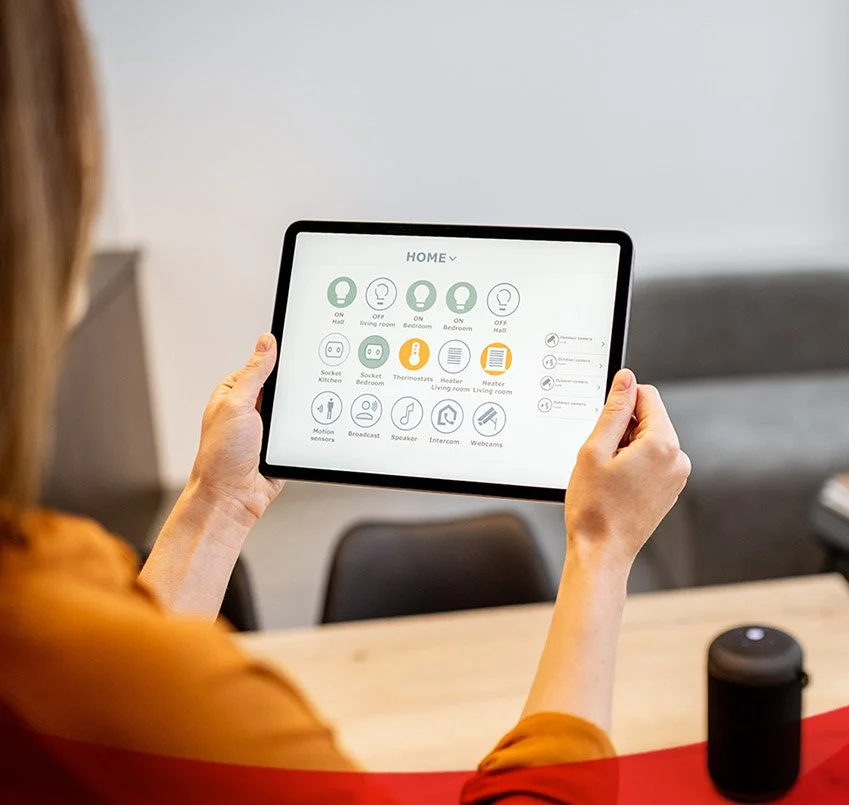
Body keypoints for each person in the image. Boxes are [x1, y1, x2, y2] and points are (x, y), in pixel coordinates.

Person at [0, 2, 690, 802]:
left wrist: (219, 500)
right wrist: (602, 548)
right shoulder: (84, 664)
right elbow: (119, 696)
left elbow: (112, 687)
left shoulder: (67, 643)